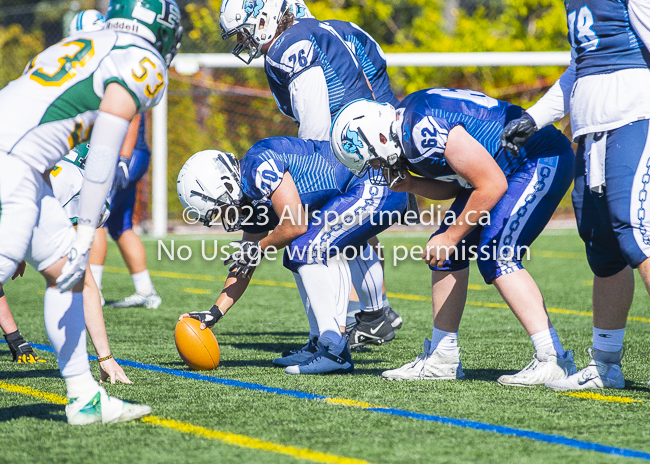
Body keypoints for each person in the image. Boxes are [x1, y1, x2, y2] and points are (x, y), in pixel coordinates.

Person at [0, 0, 181, 424]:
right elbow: (103, 151)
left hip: (25, 160)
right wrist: (85, 228)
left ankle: (83, 395)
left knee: (66, 271)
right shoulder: (140, 58)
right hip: (15, 159)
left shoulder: (81, 42)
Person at [331, 91, 576, 386]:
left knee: (498, 254)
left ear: (379, 138)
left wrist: (450, 235)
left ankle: (553, 358)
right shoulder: (407, 127)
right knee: (449, 254)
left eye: (371, 159)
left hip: (537, 158)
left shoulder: (420, 128)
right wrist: (411, 183)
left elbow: (490, 184)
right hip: (504, 169)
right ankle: (443, 357)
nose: (375, 167)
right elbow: (461, 183)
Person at [219, 0, 407, 341]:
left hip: (348, 142)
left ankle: (337, 329)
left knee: (317, 234)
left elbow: (317, 123)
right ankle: (373, 312)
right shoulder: (334, 29)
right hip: (376, 132)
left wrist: (309, 171)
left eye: (245, 30)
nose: (245, 41)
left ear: (265, 17)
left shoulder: (289, 45)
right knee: (353, 225)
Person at [501, 1, 650, 390]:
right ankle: (606, 365)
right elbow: (580, 67)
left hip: (634, 117)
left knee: (637, 234)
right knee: (603, 248)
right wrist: (535, 117)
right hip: (592, 128)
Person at [177, 138, 407, 374]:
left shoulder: (257, 164)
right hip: (361, 189)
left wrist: (259, 248)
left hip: (376, 184)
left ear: (225, 183)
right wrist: (215, 311)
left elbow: (295, 224)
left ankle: (334, 348)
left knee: (303, 248)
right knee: (299, 248)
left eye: (220, 208)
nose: (224, 216)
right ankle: (321, 342)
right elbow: (245, 262)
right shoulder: (249, 196)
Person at [90, 113, 162, 309]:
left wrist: (123, 159)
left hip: (127, 155)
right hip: (129, 154)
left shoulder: (121, 83)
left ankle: (92, 292)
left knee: (94, 218)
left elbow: (133, 115)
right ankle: (145, 290)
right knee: (120, 225)